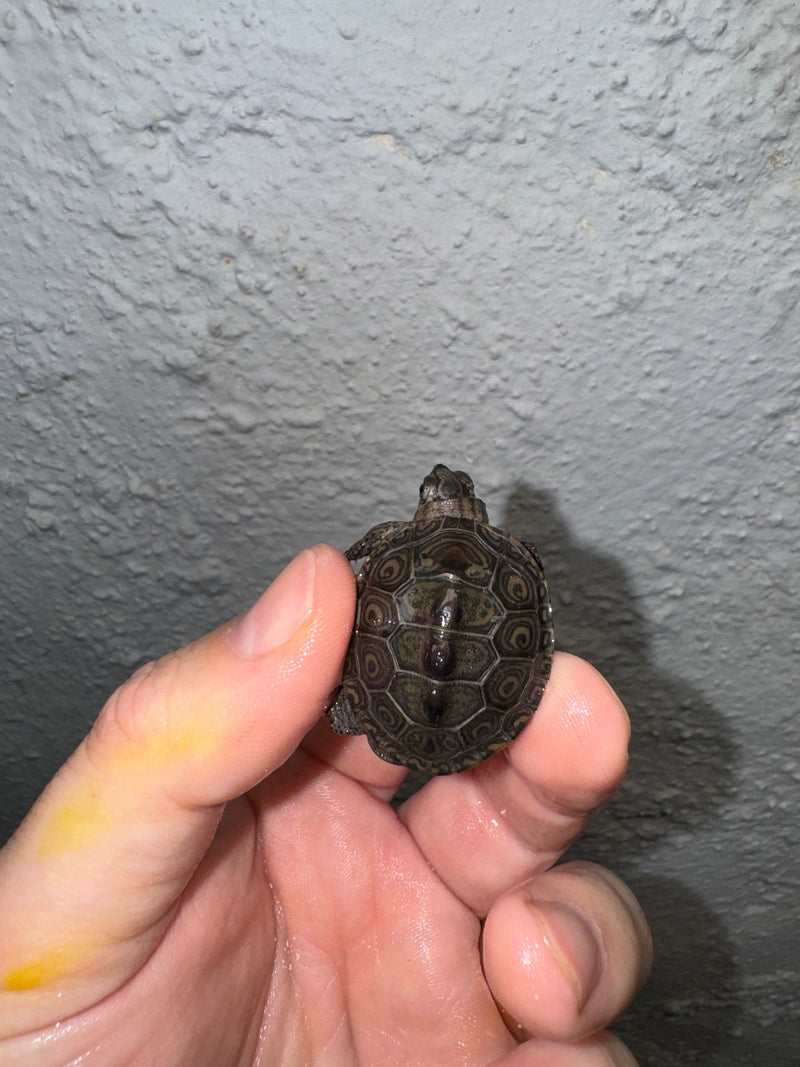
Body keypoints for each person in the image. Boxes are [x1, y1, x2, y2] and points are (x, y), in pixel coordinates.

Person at [0, 544, 651, 1066]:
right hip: (467, 715)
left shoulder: (408, 547)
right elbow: (528, 590)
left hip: (393, 703)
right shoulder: (512, 562)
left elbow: (375, 556)